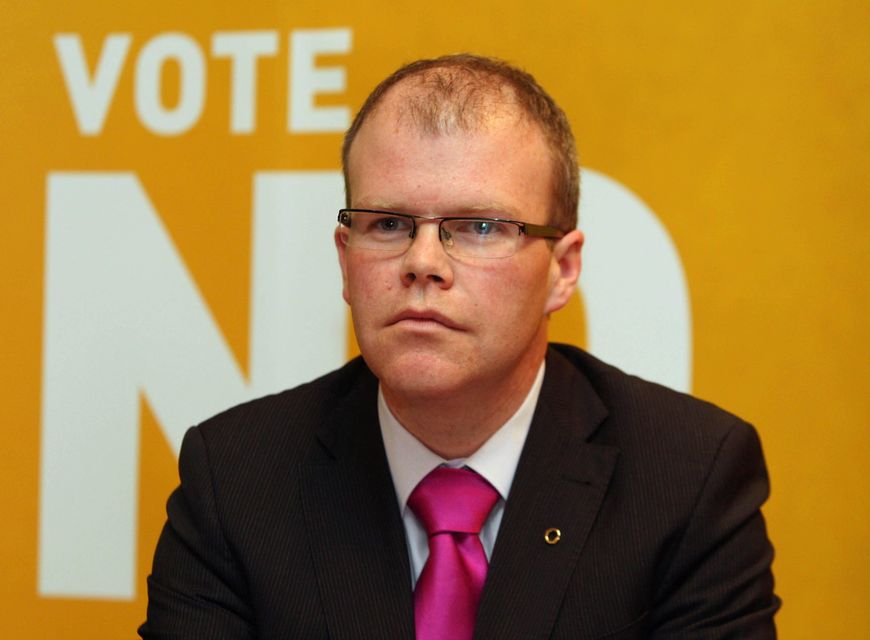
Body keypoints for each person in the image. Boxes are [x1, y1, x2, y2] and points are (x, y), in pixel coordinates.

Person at [140, 54, 779, 639]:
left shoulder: (687, 480)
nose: (422, 263)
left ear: (563, 269)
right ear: (344, 259)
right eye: (388, 224)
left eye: (478, 227)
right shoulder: (235, 479)